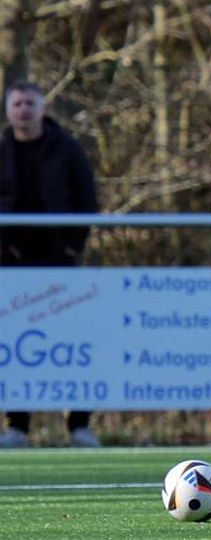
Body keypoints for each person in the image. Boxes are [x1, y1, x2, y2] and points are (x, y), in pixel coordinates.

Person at [0, 80, 100, 448]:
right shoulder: (2, 150)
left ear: (42, 108)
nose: (23, 110)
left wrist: (72, 249)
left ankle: (79, 425)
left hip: (59, 264)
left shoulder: (66, 149)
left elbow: (87, 200)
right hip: (11, 265)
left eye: (29, 103)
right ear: (8, 110)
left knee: (74, 341)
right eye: (17, 104)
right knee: (15, 344)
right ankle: (17, 426)